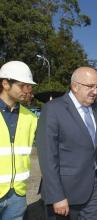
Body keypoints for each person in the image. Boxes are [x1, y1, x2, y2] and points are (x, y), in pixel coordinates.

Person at [36, 67, 97, 219]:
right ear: (75, 86)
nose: (95, 91)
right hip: (66, 192)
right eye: (90, 86)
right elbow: (48, 157)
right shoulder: (53, 109)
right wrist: (56, 196)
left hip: (94, 189)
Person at [0, 61, 37, 220]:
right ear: (5, 83)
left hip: (17, 196)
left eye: (29, 86)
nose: (27, 91)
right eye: (23, 86)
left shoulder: (31, 118)